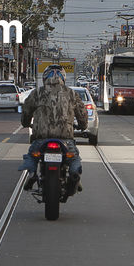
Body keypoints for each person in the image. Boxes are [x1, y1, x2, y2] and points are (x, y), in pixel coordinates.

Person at [18, 65, 86, 196]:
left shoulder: (37, 93)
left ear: (44, 78)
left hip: (41, 138)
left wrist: (26, 123)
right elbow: (82, 113)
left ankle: (32, 174)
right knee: (74, 159)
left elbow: (26, 111)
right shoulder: (71, 93)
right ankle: (75, 176)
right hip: (65, 138)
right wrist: (83, 126)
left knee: (32, 156)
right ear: (63, 78)